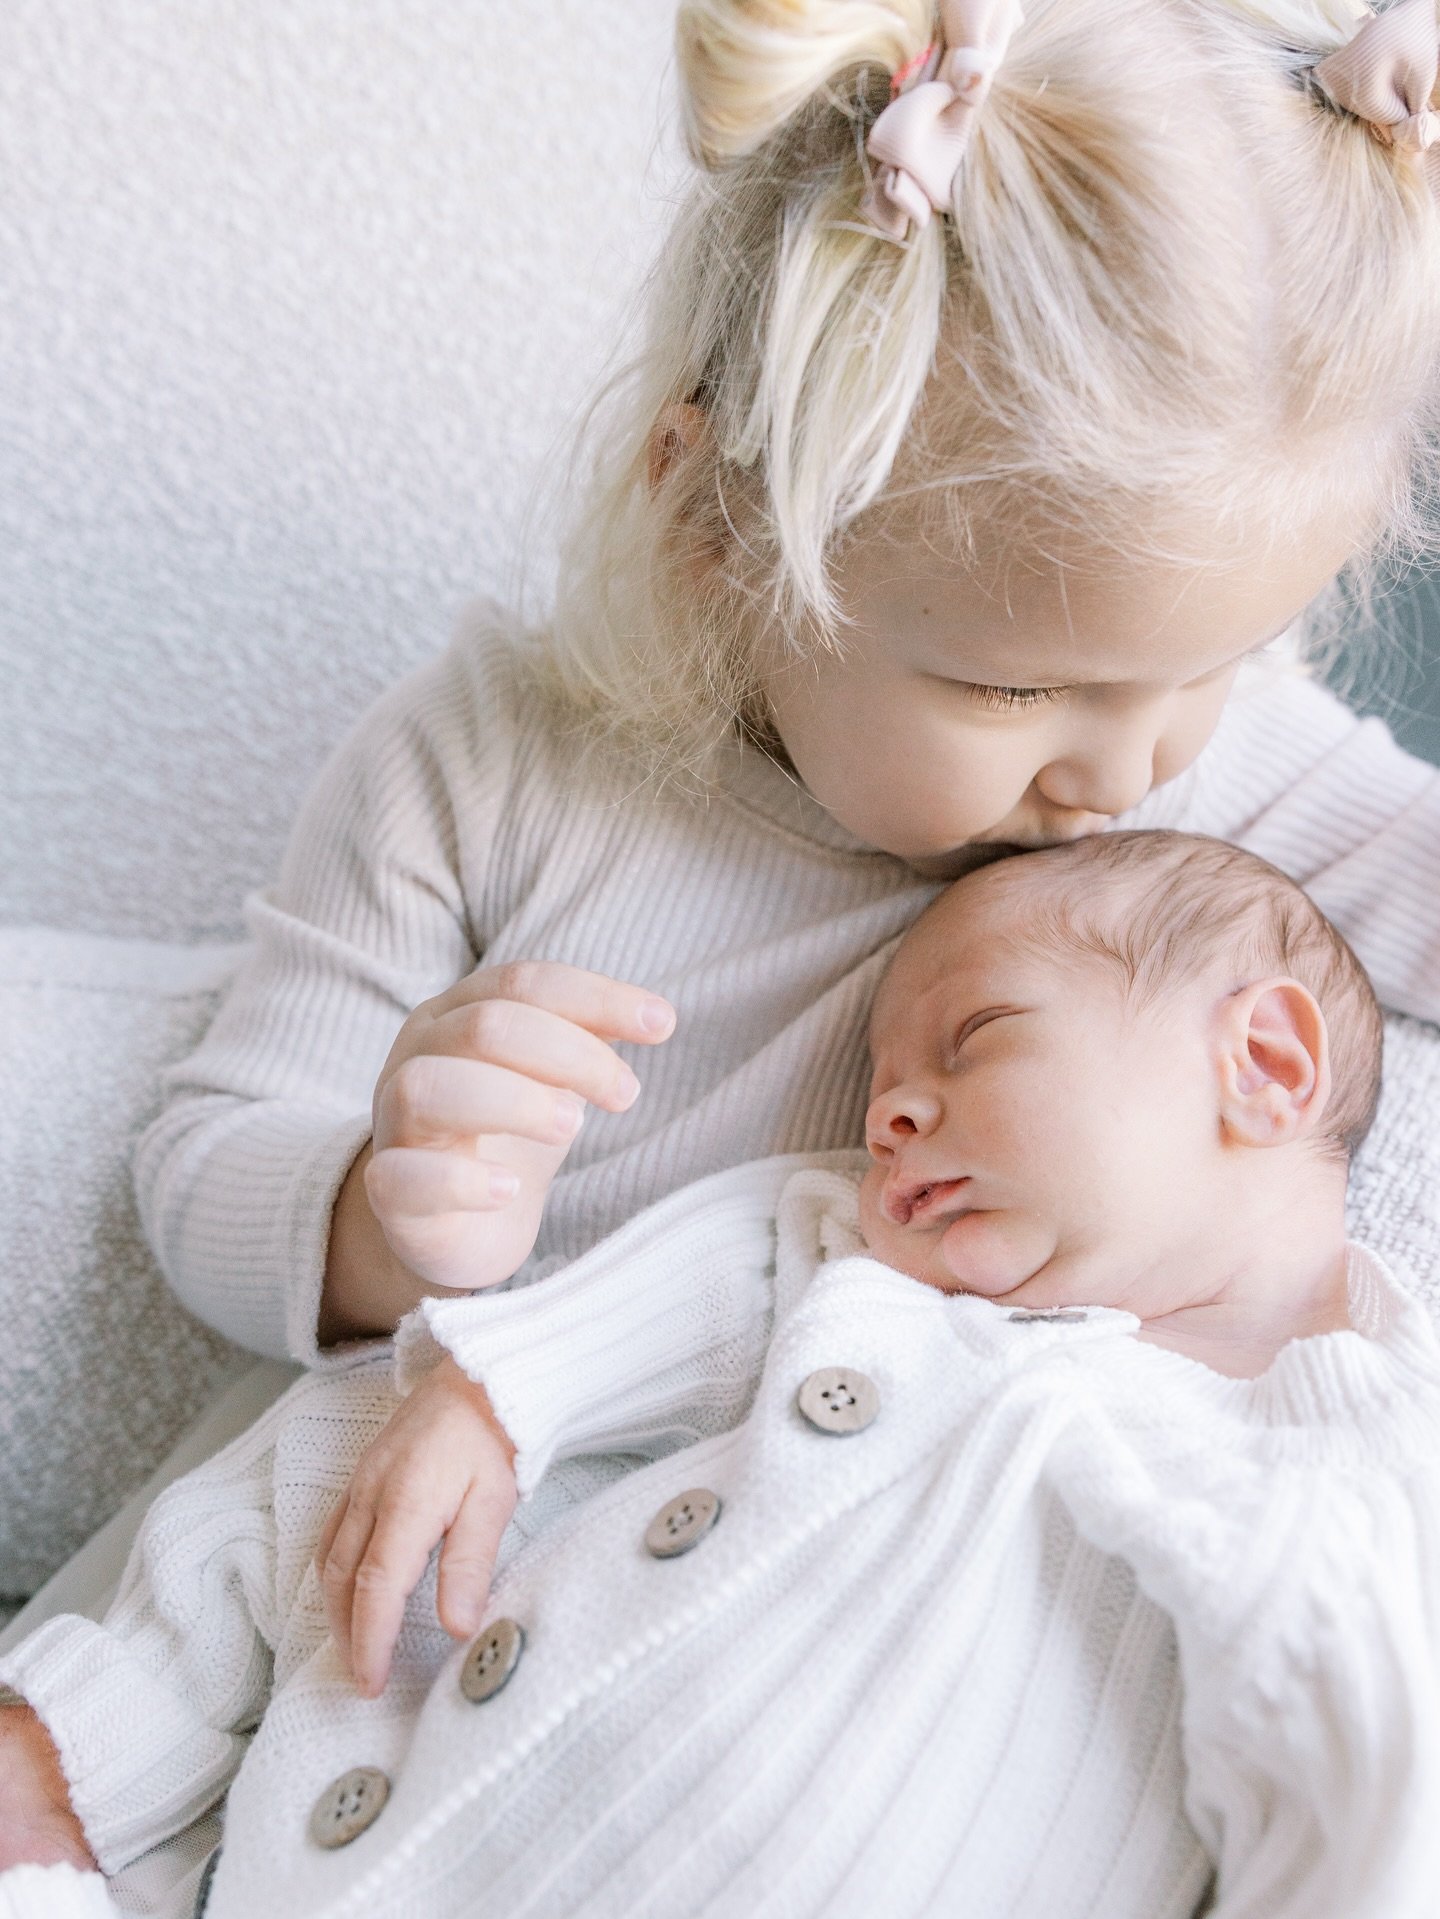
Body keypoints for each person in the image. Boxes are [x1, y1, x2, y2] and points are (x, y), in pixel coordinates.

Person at [12, 0, 1440, 1893]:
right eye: (1019, 682)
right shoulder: (495, 757)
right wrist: (374, 1204)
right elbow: (205, 1160)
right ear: (718, 515)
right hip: (354, 1595)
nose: (1132, 763)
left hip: (759, 1699)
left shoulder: (1192, 765)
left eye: (1210, 664)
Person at [2, 831, 1437, 1919]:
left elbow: (1370, 1819)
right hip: (353, 1842)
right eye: (882, 1078)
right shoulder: (872, 1277)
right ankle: (59, 1777)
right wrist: (504, 1391)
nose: (888, 1109)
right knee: (350, 1437)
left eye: (977, 1037)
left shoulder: (1345, 1464)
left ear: (1263, 1061)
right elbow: (744, 1244)